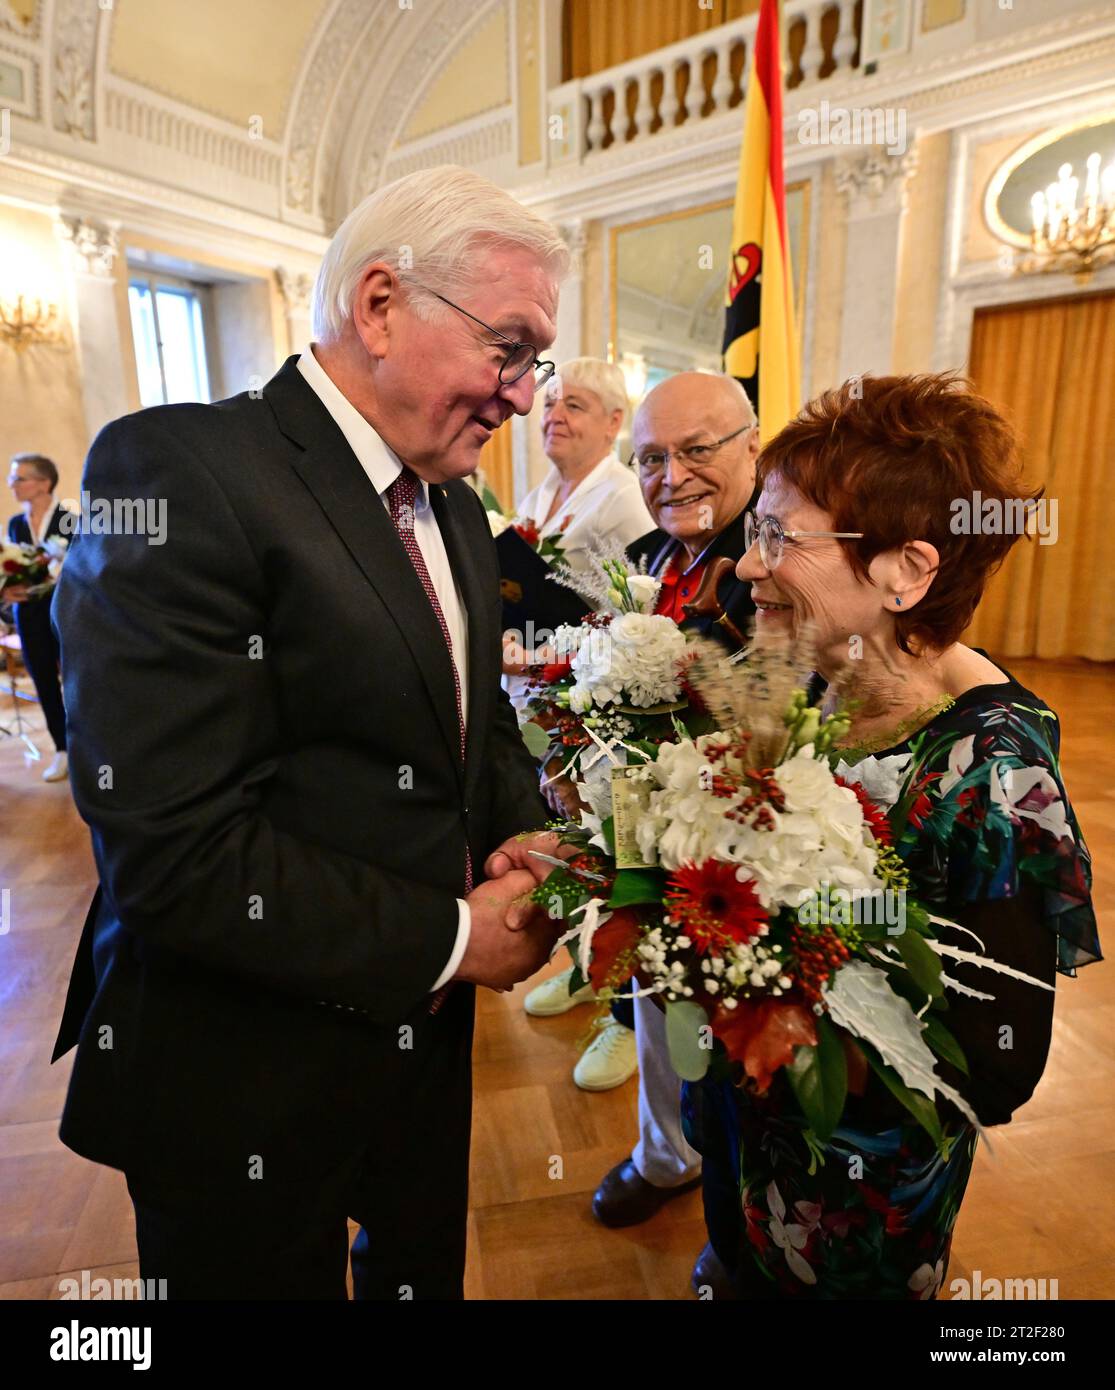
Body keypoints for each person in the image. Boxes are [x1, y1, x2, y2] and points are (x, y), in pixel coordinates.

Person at [49, 165, 576, 1300]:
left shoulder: (451, 499)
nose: (524, 396)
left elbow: (467, 730)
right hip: (238, 1069)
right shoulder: (178, 471)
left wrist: (530, 839)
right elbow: (175, 851)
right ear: (379, 304)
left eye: (537, 362)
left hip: (414, 1045)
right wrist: (454, 937)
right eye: (510, 347)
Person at [689, 372, 1100, 1298]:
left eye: (778, 538)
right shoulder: (808, 673)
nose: (748, 566)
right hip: (747, 1131)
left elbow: (990, 1066)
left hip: (856, 1198)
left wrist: (762, 996)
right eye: (755, 530)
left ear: (906, 571)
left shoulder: (995, 778)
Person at [570, 373, 765, 1234]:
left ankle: (744, 1206)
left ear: (751, 447)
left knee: (742, 1031)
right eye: (650, 457)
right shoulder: (650, 559)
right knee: (655, 1004)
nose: (670, 475)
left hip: (755, 849)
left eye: (696, 450)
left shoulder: (779, 555)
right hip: (651, 836)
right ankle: (665, 1156)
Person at [6, 453, 72, 782]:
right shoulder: (16, 524)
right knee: (44, 681)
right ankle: (62, 750)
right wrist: (8, 590)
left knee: (76, 680)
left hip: (66, 611)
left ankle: (89, 745)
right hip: (29, 614)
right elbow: (13, 570)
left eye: (19, 478)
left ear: (43, 482)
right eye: (11, 478)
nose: (11, 484)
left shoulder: (70, 518)